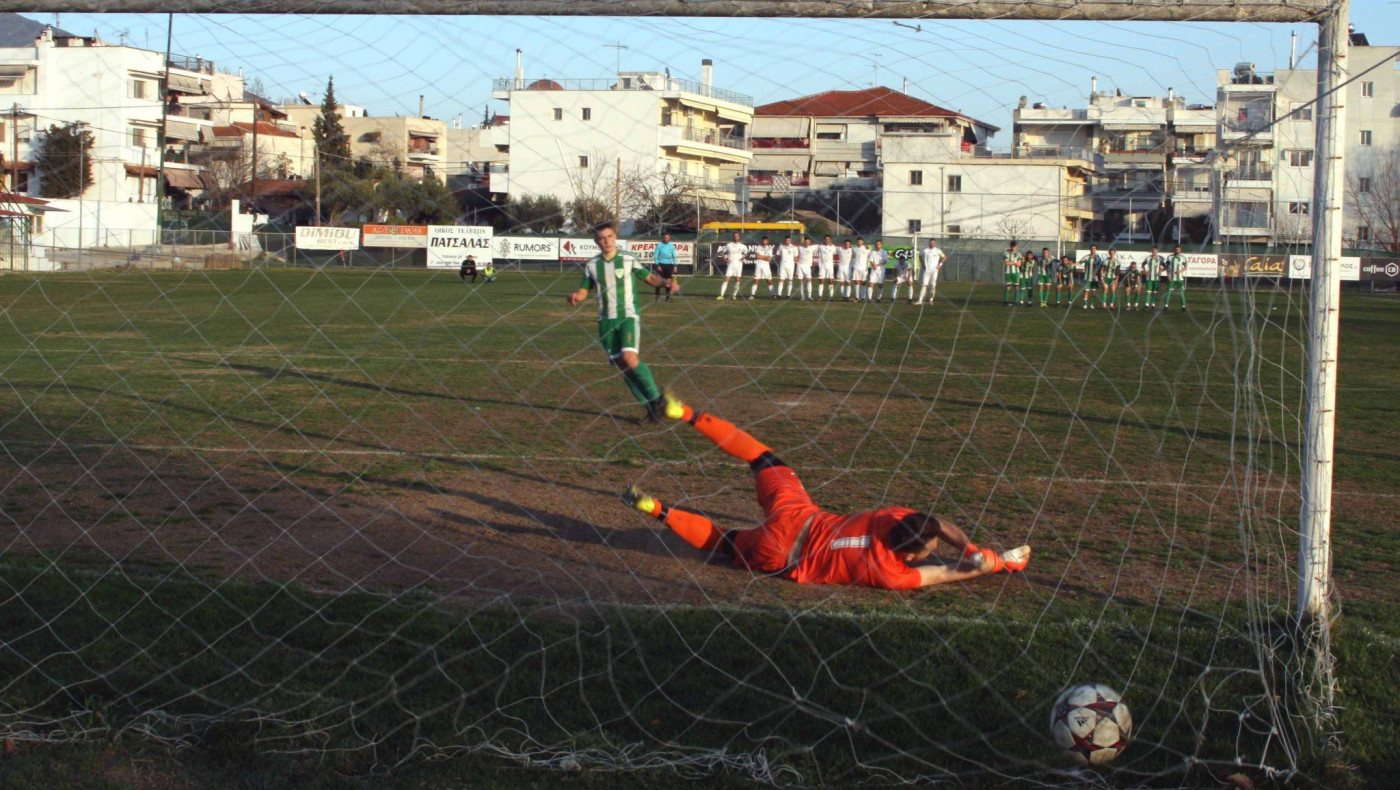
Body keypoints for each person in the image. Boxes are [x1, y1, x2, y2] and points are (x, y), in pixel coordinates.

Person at [622, 391, 1031, 588]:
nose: (935, 546)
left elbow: (937, 526)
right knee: (724, 543)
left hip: (797, 513)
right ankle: (656, 508)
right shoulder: (891, 573)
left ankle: (684, 411)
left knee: (762, 457)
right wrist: (994, 561)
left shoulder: (889, 517)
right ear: (909, 556)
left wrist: (970, 547)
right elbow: (948, 571)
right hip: (782, 555)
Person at [565, 222, 679, 422]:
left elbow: (650, 278)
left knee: (630, 358)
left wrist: (666, 283)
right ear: (596, 241)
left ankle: (657, 400)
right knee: (623, 367)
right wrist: (576, 296)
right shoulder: (592, 265)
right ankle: (651, 409)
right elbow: (584, 290)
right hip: (605, 320)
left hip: (627, 315)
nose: (606, 241)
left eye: (609, 236)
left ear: (615, 236)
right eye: (601, 238)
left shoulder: (628, 258)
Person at [717, 232, 748, 301]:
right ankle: (721, 295)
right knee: (726, 279)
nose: (736, 237)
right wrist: (725, 259)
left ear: (739, 237)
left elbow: (746, 253)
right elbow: (722, 252)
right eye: (735, 236)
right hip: (730, 265)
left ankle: (734, 295)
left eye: (737, 236)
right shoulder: (729, 245)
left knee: (737, 279)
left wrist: (743, 259)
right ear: (733, 237)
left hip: (739, 265)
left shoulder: (742, 246)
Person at [916, 237, 946, 305]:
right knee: (924, 284)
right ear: (929, 243)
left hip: (934, 271)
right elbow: (920, 256)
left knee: (933, 285)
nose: (932, 244)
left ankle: (931, 300)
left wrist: (940, 264)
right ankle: (920, 300)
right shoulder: (925, 250)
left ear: (935, 243)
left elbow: (944, 257)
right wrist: (922, 264)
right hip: (927, 270)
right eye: (931, 242)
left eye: (933, 242)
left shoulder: (938, 250)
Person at [653, 232, 678, 303]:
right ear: (663, 238)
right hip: (661, 265)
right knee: (659, 281)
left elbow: (674, 256)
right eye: (665, 237)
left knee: (668, 282)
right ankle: (657, 297)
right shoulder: (659, 245)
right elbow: (656, 256)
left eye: (667, 237)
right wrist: (657, 265)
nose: (666, 239)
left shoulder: (671, 246)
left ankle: (668, 297)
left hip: (669, 265)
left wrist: (675, 265)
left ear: (669, 238)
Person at [750, 235, 777, 300]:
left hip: (766, 266)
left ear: (767, 241)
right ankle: (752, 295)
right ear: (762, 241)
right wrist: (765, 257)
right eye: (763, 240)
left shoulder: (769, 248)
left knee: (769, 280)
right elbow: (757, 256)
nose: (764, 242)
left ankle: (773, 295)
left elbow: (769, 259)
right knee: (756, 280)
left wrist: (761, 256)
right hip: (758, 266)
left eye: (765, 241)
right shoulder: (758, 247)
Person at [1078, 245, 1104, 310]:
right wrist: (1072, 264)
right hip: (1087, 277)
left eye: (1094, 249)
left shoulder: (1098, 258)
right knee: (1086, 291)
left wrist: (1100, 275)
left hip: (1095, 278)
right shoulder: (1086, 257)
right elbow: (1079, 263)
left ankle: (1092, 304)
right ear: (1090, 249)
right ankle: (1085, 304)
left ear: (1096, 250)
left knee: (1094, 292)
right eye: (1092, 248)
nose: (1093, 250)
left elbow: (1101, 267)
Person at [1164, 245, 1188, 311]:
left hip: (1179, 278)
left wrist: (1180, 271)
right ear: (1174, 250)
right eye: (1176, 249)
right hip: (1171, 278)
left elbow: (1185, 267)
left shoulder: (1183, 257)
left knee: (1181, 292)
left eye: (1178, 250)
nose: (1177, 251)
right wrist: (1168, 275)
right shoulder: (1170, 257)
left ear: (1180, 250)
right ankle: (1166, 306)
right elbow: (1167, 267)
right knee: (1169, 292)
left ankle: (1183, 306)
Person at [816, 235, 838, 300]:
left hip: (830, 266)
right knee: (821, 280)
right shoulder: (820, 246)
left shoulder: (833, 247)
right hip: (822, 266)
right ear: (824, 240)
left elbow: (835, 253)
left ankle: (831, 296)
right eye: (826, 239)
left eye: (828, 239)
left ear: (830, 240)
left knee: (831, 281)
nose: (827, 240)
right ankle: (820, 296)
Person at [1003, 242, 1021, 307]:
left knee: (1016, 286)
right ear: (1010, 246)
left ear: (1016, 246)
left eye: (1014, 246)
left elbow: (1019, 264)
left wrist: (1011, 262)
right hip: (1008, 272)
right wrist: (1014, 262)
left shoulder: (1018, 254)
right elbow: (1006, 263)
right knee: (1008, 286)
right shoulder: (1006, 253)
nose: (1013, 247)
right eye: (1012, 246)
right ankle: (1006, 301)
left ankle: (1016, 301)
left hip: (1016, 273)